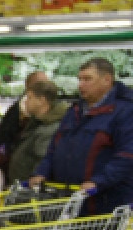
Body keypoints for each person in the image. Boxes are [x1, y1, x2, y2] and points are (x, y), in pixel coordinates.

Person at [31, 57, 133, 216]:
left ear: (107, 80)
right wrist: (41, 172)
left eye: (87, 79)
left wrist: (98, 182)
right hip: (70, 202)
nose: (81, 84)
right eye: (80, 79)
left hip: (106, 205)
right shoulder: (75, 111)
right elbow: (54, 148)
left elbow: (127, 155)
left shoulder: (125, 111)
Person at [8, 80, 69, 185]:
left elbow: (42, 161)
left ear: (42, 100)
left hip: (30, 192)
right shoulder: (37, 123)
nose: (26, 101)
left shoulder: (50, 128)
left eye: (29, 97)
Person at [0, 71, 51, 181]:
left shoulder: (50, 121)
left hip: (32, 181)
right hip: (20, 178)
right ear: (28, 87)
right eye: (39, 84)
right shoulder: (15, 112)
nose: (44, 87)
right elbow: (3, 140)